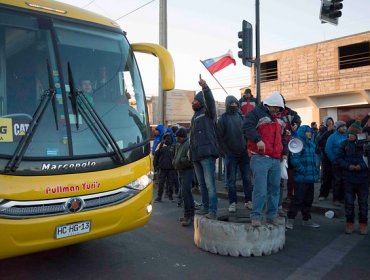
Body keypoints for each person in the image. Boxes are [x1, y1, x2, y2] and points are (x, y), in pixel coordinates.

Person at [243, 91, 287, 227]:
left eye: (279, 110)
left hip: (275, 158)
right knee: (260, 189)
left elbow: (283, 137)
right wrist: (257, 140)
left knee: (275, 189)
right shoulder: (255, 113)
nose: (277, 112)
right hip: (260, 157)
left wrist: (284, 153)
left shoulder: (279, 119)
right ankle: (255, 216)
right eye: (276, 109)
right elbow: (246, 127)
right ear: (271, 105)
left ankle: (271, 216)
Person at [217, 95, 252, 213]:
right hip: (230, 155)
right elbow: (219, 138)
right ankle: (232, 202)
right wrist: (226, 152)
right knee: (231, 181)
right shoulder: (223, 119)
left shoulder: (242, 117)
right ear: (227, 105)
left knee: (247, 178)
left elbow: (248, 134)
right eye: (231, 104)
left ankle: (249, 201)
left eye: (235, 104)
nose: (234, 105)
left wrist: (248, 148)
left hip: (244, 154)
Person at [189, 77, 218, 220]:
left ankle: (213, 210)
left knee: (209, 183)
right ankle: (205, 207)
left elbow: (210, 101)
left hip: (207, 154)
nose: (192, 103)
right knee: (202, 184)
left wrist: (205, 87)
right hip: (196, 156)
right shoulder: (194, 117)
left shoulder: (208, 113)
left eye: (195, 100)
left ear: (201, 101)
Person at [285, 125, 320, 230]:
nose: (310, 133)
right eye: (308, 132)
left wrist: (315, 171)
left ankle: (307, 219)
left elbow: (314, 160)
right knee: (298, 199)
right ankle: (290, 219)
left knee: (308, 200)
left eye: (310, 132)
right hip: (301, 178)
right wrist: (303, 170)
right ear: (303, 132)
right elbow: (294, 160)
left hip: (310, 178)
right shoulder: (297, 143)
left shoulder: (311, 144)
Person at [337, 121, 369, 235]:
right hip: (348, 179)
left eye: (351, 134)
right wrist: (348, 166)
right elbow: (339, 159)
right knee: (349, 203)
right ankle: (349, 223)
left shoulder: (365, 144)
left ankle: (363, 224)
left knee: (363, 203)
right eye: (349, 133)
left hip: (363, 179)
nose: (349, 135)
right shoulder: (344, 144)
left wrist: (361, 166)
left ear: (356, 135)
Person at [173, 127, 195, 226]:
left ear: (181, 137)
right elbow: (176, 156)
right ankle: (190, 215)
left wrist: (180, 161)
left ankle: (188, 216)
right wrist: (175, 162)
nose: (176, 138)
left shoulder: (187, 145)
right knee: (186, 193)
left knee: (186, 194)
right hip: (181, 170)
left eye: (177, 136)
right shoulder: (180, 144)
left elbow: (190, 159)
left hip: (187, 171)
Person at [325, 120, 348, 206]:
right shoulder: (332, 137)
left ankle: (343, 198)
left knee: (344, 180)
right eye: (342, 126)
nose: (344, 128)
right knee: (337, 180)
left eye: (345, 126)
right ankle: (336, 198)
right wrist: (333, 160)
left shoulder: (346, 136)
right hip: (336, 162)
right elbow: (328, 149)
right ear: (338, 128)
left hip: (345, 162)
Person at [153, 133, 176, 202]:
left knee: (169, 183)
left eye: (168, 138)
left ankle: (169, 195)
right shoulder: (160, 146)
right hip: (163, 168)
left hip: (170, 168)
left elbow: (156, 156)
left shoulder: (173, 147)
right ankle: (160, 196)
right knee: (162, 183)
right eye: (166, 138)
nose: (167, 139)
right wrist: (155, 166)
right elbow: (156, 156)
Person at [317, 116, 335, 201]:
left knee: (336, 177)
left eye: (331, 121)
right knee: (326, 176)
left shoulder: (335, 131)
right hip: (325, 156)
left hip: (335, 156)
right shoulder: (323, 130)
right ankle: (323, 194)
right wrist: (327, 131)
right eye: (328, 121)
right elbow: (320, 141)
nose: (330, 122)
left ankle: (337, 196)